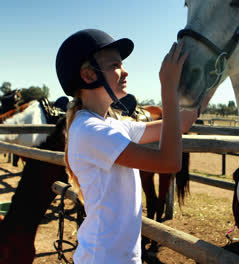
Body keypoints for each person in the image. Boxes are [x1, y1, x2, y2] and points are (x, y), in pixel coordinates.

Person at [56, 29, 205, 263]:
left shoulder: (112, 126)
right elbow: (170, 162)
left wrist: (216, 73)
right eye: (115, 65)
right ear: (88, 75)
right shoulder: (90, 131)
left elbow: (182, 123)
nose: (125, 71)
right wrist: (168, 87)